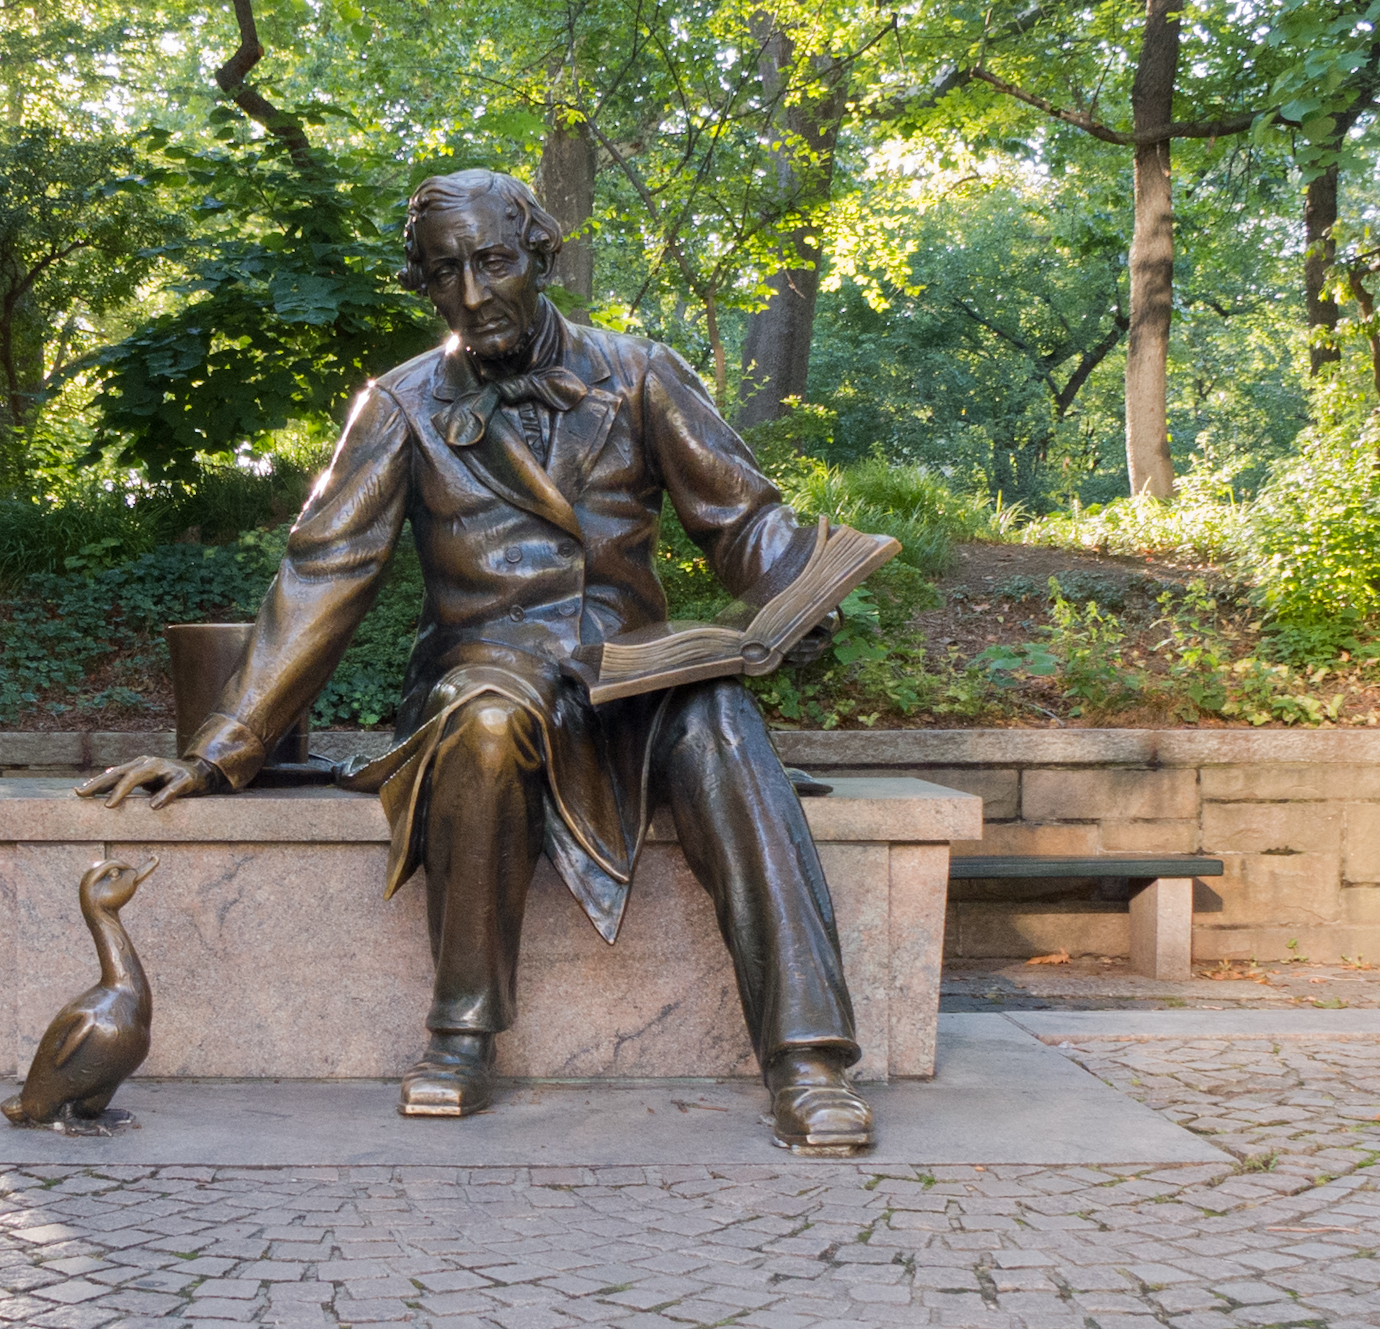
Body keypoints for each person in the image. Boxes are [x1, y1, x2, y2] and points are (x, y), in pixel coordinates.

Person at [82, 168, 872, 1153]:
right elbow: (325, 571)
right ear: (422, 280)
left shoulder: (641, 372)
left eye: (493, 262)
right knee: (484, 728)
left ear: (537, 253)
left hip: (633, 676)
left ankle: (807, 1059)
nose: (473, 292)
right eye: (446, 271)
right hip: (487, 671)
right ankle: (461, 1031)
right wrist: (221, 746)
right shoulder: (400, 405)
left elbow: (741, 516)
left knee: (723, 724)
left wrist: (797, 586)